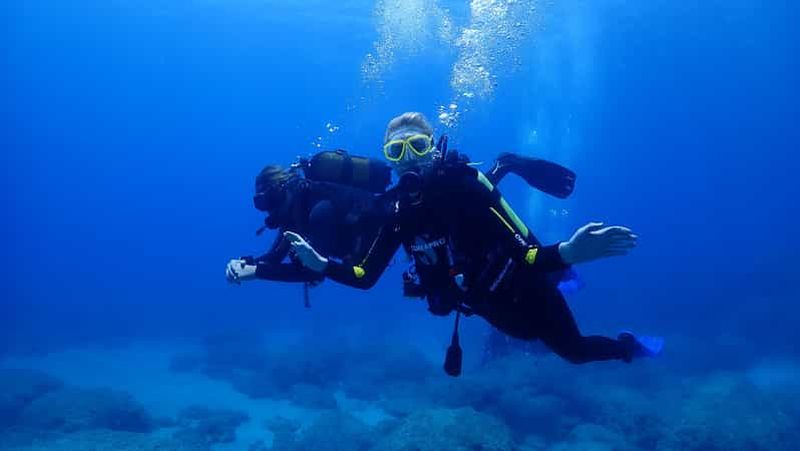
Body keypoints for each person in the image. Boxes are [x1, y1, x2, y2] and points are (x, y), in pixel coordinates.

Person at [284, 112, 663, 370]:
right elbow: (365, 275)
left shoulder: (468, 186)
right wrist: (323, 266)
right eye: (396, 151)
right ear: (390, 161)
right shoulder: (397, 212)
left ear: (434, 148)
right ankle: (562, 272)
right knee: (526, 340)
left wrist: (568, 251)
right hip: (485, 304)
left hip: (527, 285)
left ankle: (629, 345)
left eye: (417, 146)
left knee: (574, 352)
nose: (409, 159)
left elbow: (526, 254)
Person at [225, 144, 578, 298]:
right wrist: (254, 263)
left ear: (285, 189)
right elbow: (283, 251)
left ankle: (505, 165)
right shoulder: (298, 211)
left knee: (460, 207)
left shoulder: (318, 211)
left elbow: (309, 269)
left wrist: (258, 272)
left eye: (268, 201)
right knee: (457, 211)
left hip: (394, 221)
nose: (267, 211)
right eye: (261, 203)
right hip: (389, 225)